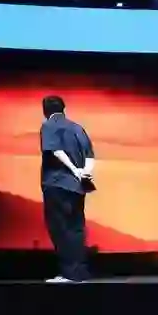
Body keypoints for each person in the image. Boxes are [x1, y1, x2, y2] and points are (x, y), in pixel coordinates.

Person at [40, 95, 95, 283]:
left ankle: (68, 274)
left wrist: (74, 170)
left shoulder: (48, 125)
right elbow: (90, 155)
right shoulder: (77, 128)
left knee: (60, 228)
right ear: (63, 108)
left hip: (57, 183)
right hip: (77, 186)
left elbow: (55, 150)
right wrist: (84, 173)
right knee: (76, 228)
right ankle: (79, 273)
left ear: (45, 110)